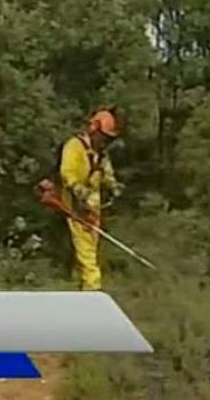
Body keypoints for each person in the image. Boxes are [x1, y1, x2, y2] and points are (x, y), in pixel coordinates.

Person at [57, 108, 124, 291]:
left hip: (93, 208)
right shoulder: (74, 146)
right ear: (94, 129)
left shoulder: (100, 153)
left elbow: (106, 173)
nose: (106, 142)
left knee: (90, 250)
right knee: (87, 253)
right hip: (76, 206)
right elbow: (67, 173)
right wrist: (80, 191)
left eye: (109, 139)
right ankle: (93, 291)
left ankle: (79, 287)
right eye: (104, 137)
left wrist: (114, 186)